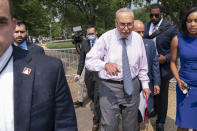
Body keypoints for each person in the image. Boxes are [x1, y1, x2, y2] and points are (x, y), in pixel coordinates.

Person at [0, 0, 77, 130]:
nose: (19, 35)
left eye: (1, 22)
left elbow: (65, 125)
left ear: (12, 25)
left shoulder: (49, 69)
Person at [85, 8, 151, 131]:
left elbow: (143, 65)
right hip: (109, 87)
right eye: (122, 24)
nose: (126, 28)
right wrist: (104, 65)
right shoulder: (106, 38)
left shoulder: (137, 39)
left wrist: (145, 85)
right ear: (116, 23)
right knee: (109, 125)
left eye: (129, 24)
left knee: (131, 126)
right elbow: (89, 61)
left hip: (132, 86)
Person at [144, 3, 178, 131]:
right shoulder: (146, 26)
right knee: (153, 91)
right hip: (150, 68)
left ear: (161, 14)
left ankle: (161, 121)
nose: (153, 17)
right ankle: (156, 110)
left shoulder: (171, 28)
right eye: (151, 15)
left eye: (156, 15)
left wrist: (166, 58)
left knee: (162, 95)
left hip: (163, 68)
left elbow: (176, 49)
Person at [170, 7, 197, 131]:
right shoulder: (177, 39)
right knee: (183, 123)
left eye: (196, 21)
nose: (192, 24)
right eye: (189, 21)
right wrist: (178, 79)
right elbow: (172, 62)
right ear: (185, 22)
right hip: (185, 86)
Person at [75, 25, 101, 131]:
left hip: (100, 74)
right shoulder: (84, 44)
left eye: (92, 34)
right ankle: (99, 111)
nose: (90, 36)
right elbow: (82, 60)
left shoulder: (102, 42)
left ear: (96, 33)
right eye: (88, 34)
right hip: (89, 75)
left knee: (97, 98)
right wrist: (78, 73)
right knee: (91, 95)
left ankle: (97, 121)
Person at [133, 20, 160, 118]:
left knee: (145, 109)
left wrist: (157, 83)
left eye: (142, 32)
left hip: (147, 83)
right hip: (131, 84)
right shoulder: (123, 46)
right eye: (137, 32)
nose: (141, 35)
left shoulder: (150, 44)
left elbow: (155, 64)